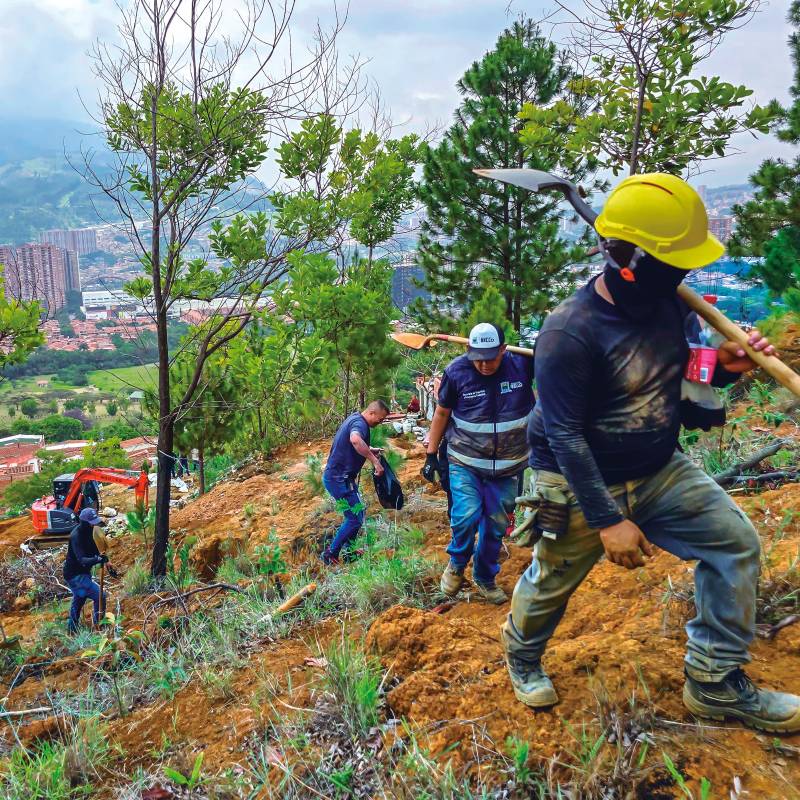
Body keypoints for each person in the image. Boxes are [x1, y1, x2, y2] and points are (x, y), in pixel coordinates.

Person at [502, 172, 800, 732]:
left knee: (734, 544)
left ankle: (714, 682)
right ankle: (521, 655)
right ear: (627, 260)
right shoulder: (570, 332)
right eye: (674, 263)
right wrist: (608, 519)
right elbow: (564, 435)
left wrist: (727, 368)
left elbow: (682, 394)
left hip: (659, 467)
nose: (683, 274)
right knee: (551, 581)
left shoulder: (672, 306)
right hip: (575, 477)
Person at [423, 322, 534, 604]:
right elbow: (442, 413)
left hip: (509, 465)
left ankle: (485, 577)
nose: (484, 365)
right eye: (478, 358)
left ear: (503, 350)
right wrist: (431, 455)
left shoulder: (523, 365)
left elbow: (561, 373)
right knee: (466, 515)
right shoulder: (457, 372)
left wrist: (555, 352)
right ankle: (458, 562)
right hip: (466, 461)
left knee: (496, 525)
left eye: (491, 358)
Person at [321, 400, 390, 565]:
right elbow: (354, 440)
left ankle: (350, 552)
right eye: (379, 419)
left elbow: (352, 443)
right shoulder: (359, 423)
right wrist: (374, 460)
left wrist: (370, 449)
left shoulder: (355, 418)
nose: (379, 423)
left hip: (341, 479)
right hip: (338, 480)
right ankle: (330, 554)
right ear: (372, 413)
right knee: (354, 518)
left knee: (357, 513)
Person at [63, 508, 110, 632]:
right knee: (100, 595)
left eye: (95, 522)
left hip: (83, 573)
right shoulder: (76, 536)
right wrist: (98, 559)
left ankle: (71, 630)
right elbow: (82, 559)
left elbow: (98, 549)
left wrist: (107, 561)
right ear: (83, 522)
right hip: (74, 575)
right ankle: (99, 625)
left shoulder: (92, 532)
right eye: (91, 522)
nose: (94, 524)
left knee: (79, 599)